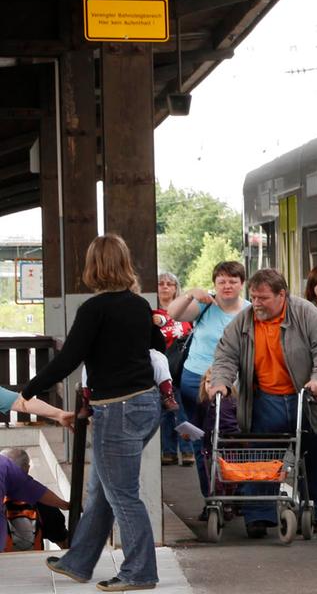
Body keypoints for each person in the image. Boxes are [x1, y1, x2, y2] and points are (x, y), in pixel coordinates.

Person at [27, 234, 163, 591]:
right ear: (124, 263)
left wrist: (29, 389)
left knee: (122, 495)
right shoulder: (139, 304)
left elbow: (69, 358)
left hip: (116, 410)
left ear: (93, 267)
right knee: (103, 491)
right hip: (147, 403)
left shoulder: (94, 309)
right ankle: (79, 561)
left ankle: (141, 572)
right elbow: (158, 346)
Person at [206, 268, 317, 538]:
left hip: (303, 395)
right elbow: (225, 355)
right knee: (262, 456)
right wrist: (220, 381)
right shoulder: (244, 322)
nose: (256, 303)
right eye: (253, 297)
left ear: (282, 295)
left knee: (313, 454)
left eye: (263, 298)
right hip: (265, 398)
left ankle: (316, 508)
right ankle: (259, 515)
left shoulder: (305, 314)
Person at [168, 261, 248, 498]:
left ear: (242, 284)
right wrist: (191, 293)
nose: (227, 286)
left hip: (235, 384)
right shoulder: (205, 307)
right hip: (196, 381)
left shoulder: (250, 310)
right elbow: (173, 313)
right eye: (221, 281)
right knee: (200, 439)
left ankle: (237, 492)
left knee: (236, 439)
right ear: (214, 283)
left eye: (233, 281)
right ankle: (211, 495)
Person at [154, 272, 193, 466]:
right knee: (165, 413)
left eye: (170, 284)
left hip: (181, 368)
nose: (165, 287)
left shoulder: (186, 312)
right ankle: (168, 451)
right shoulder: (153, 313)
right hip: (160, 369)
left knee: (183, 410)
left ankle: (188, 450)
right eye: (161, 284)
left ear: (176, 288)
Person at [1, 448, 69, 551]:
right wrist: (65, 505)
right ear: (27, 468)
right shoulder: (44, 503)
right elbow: (64, 543)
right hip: (34, 564)